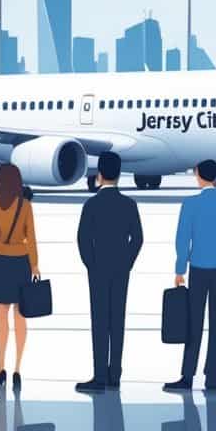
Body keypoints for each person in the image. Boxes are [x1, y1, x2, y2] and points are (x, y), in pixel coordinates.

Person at [165, 159, 216, 393]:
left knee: (194, 323)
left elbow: (182, 240)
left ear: (198, 175)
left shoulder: (190, 204)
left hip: (198, 269)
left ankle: (187, 376)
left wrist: (181, 268)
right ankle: (213, 379)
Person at [76, 151, 143, 393]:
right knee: (118, 321)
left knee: (100, 321)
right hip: (121, 269)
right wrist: (127, 262)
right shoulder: (129, 204)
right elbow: (137, 238)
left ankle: (100, 375)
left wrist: (91, 264)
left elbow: (83, 239)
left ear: (100, 174)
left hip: (98, 270)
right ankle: (115, 373)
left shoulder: (92, 204)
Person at [0, 163, 38, 389]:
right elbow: (31, 237)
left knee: (1, 318)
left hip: (1, 263)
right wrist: (34, 265)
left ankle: (0, 367)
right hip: (21, 262)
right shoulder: (25, 206)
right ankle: (17, 368)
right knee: (20, 316)